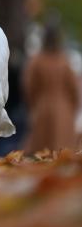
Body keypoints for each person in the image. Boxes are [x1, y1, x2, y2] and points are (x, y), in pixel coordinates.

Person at [23, 25, 80, 153]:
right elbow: (73, 89)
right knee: (63, 152)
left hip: (42, 109)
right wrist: (72, 107)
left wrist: (34, 105)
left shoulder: (37, 62)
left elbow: (30, 87)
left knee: (41, 153)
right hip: (64, 110)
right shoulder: (64, 61)